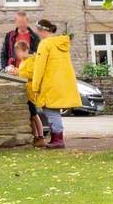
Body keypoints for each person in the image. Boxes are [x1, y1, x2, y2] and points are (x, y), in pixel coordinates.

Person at [30, 18, 80, 150]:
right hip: (62, 83)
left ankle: (58, 139)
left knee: (51, 111)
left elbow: (39, 67)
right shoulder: (61, 44)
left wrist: (35, 86)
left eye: (38, 31)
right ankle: (55, 138)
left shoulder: (45, 44)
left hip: (50, 84)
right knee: (54, 112)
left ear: (42, 31)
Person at [8, 38, 46, 147]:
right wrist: (16, 71)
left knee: (34, 115)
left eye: (19, 52)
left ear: (25, 50)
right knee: (30, 116)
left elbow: (31, 74)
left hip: (31, 92)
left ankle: (41, 136)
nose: (18, 54)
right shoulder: (23, 62)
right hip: (26, 92)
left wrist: (18, 73)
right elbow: (23, 73)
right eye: (17, 52)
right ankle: (35, 136)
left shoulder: (31, 60)